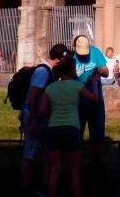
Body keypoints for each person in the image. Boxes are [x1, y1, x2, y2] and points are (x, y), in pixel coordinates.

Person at [37, 54, 98, 197]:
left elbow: (41, 109)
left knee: (55, 169)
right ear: (71, 70)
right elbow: (94, 99)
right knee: (74, 170)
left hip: (53, 128)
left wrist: (52, 112)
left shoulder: (51, 87)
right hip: (71, 128)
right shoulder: (77, 86)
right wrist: (94, 83)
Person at [21, 43, 68, 196]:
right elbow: (32, 97)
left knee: (46, 152)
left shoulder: (49, 71)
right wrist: (34, 120)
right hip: (34, 116)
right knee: (30, 152)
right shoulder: (43, 72)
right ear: (59, 59)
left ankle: (43, 185)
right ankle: (27, 187)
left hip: (42, 116)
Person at [71, 34, 109, 162]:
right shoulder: (71, 57)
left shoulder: (95, 52)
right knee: (76, 134)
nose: (83, 55)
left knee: (97, 134)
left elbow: (106, 71)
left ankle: (96, 162)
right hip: (77, 102)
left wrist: (100, 70)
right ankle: (75, 163)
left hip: (95, 101)